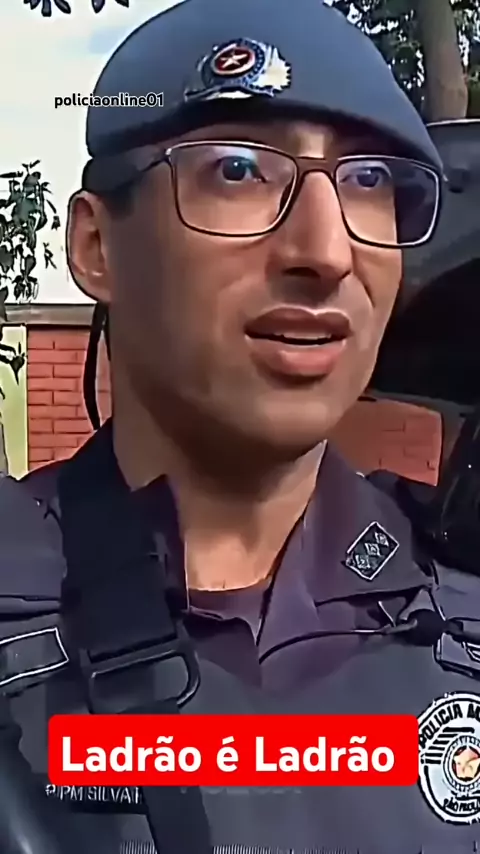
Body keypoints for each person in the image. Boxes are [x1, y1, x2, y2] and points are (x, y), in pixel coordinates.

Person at [2, 0, 480, 852]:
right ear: (97, 247)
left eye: (370, 181)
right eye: (237, 170)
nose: (326, 251)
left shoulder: (460, 609)